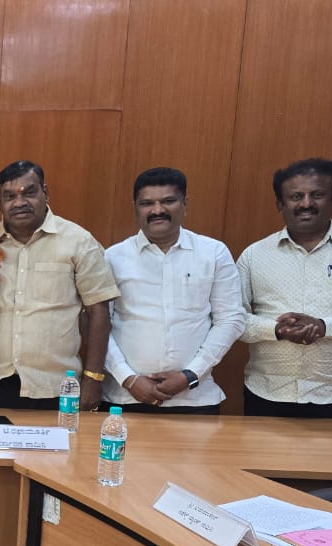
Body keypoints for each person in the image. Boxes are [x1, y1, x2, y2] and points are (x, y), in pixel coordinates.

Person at [237, 158, 332, 428]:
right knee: (261, 460)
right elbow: (232, 319)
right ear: (280, 204)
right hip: (267, 394)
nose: (306, 203)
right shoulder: (254, 255)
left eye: (317, 195)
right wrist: (277, 330)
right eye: (296, 196)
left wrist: (325, 327)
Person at [0, 161, 120, 410]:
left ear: (45, 192)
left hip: (56, 387)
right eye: (9, 196)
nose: (19, 203)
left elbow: (98, 313)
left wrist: (93, 378)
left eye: (29, 193)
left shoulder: (78, 241)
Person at [102, 168, 244, 413]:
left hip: (195, 399)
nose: (157, 210)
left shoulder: (213, 253)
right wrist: (128, 378)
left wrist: (191, 375)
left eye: (168, 201)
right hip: (124, 398)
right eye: (147, 203)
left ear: (185, 203)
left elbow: (230, 319)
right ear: (135, 207)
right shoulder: (113, 257)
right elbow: (99, 325)